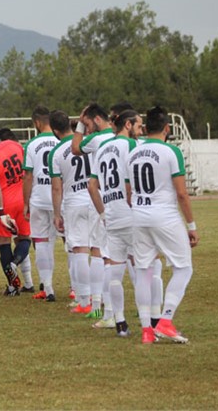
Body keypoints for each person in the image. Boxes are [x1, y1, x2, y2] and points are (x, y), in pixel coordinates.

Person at [128, 106, 199, 344]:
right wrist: (191, 225)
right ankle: (166, 320)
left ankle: (147, 330)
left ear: (146, 128)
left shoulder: (133, 153)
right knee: (183, 267)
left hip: (138, 215)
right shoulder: (171, 152)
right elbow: (181, 194)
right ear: (167, 128)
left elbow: (130, 192)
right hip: (164, 215)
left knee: (144, 271)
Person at [88, 109, 143, 336]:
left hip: (111, 214)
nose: (141, 129)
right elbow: (132, 181)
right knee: (145, 265)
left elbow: (92, 185)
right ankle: (150, 318)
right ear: (128, 125)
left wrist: (103, 213)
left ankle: (118, 320)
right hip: (129, 212)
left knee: (114, 266)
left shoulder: (102, 150)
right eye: (138, 125)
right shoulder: (130, 146)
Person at [71, 103, 115, 320]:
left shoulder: (97, 139)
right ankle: (107, 303)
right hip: (119, 200)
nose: (87, 128)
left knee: (100, 254)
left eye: (88, 123)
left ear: (97, 120)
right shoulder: (120, 139)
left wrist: (79, 125)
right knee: (115, 256)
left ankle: (99, 305)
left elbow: (75, 148)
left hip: (100, 200)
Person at [49, 110, 93, 315]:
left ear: (55, 130)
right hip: (95, 199)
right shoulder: (87, 142)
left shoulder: (56, 153)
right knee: (100, 252)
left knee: (79, 251)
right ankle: (99, 297)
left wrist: (57, 214)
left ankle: (84, 299)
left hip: (74, 202)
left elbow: (57, 188)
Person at [0, 133, 32, 297]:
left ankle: (13, 285)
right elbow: (27, 171)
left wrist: (1, 210)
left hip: (6, 202)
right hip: (23, 197)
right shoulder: (14, 145)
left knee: (4, 242)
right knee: (25, 238)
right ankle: (16, 264)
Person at [23, 106, 60, 301]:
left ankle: (48, 287)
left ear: (37, 122)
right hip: (59, 198)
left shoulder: (31, 144)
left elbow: (28, 176)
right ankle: (75, 288)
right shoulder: (60, 141)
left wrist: (26, 202)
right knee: (71, 243)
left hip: (39, 197)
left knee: (42, 242)